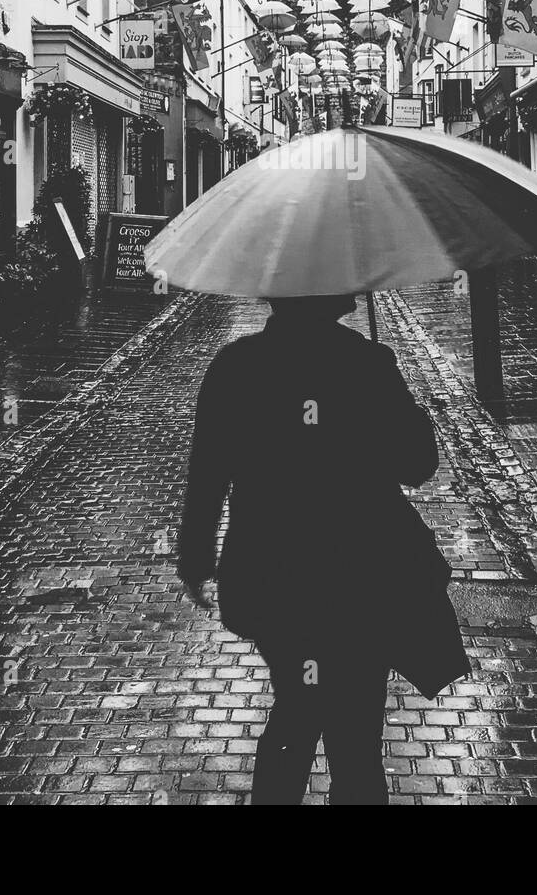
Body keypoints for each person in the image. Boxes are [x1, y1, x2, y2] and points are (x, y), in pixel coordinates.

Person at [178, 294, 469, 806]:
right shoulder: (362, 362)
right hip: (360, 575)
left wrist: (197, 557)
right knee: (355, 735)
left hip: (273, 575)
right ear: (331, 297)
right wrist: (403, 402)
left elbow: (208, 473)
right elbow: (417, 464)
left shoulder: (237, 365)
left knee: (296, 706)